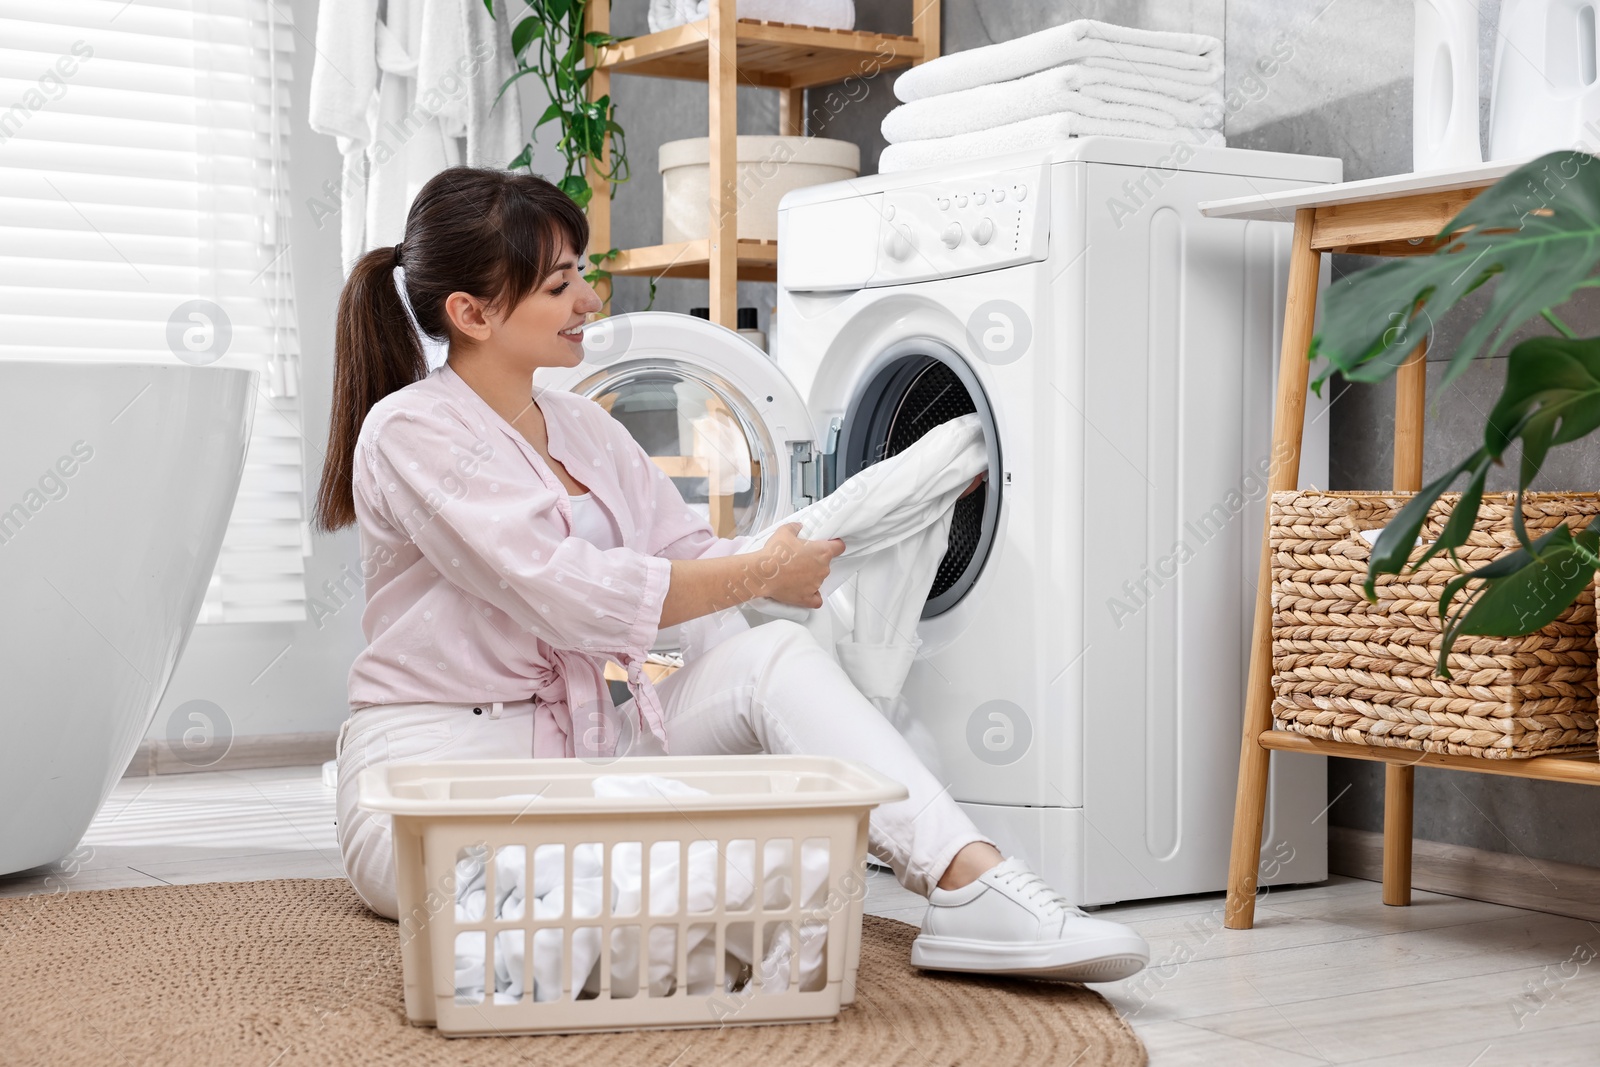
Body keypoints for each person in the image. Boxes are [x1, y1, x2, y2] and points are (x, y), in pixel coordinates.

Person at [313, 165, 1150, 984]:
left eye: (582, 276)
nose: (589, 302)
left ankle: (970, 883)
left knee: (771, 664)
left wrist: (797, 552)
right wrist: (755, 575)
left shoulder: (580, 426)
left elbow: (684, 554)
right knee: (663, 874)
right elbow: (571, 593)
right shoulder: (409, 431)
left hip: (583, 752)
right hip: (433, 785)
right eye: (560, 283)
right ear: (472, 312)